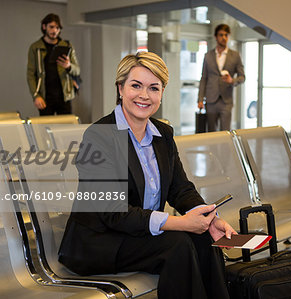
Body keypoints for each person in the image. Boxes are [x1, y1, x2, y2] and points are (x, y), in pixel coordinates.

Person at [58, 52, 236, 299]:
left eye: (154, 88)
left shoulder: (163, 134)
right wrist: (181, 223)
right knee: (177, 245)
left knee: (203, 237)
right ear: (120, 88)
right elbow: (114, 212)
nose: (144, 95)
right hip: (100, 241)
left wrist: (208, 217)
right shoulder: (98, 137)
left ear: (161, 94)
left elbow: (180, 189)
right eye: (136, 85)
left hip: (139, 233)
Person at [27, 13, 80, 115]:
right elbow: (30, 74)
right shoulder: (35, 48)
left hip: (65, 96)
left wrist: (69, 66)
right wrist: (36, 96)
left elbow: (77, 70)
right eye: (51, 27)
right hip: (45, 97)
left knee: (66, 129)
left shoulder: (67, 46)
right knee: (45, 129)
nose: (55, 30)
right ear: (44, 27)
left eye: (57, 28)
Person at [198, 24, 245, 132]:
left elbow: (242, 77)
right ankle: (212, 149)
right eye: (221, 35)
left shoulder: (235, 55)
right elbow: (204, 78)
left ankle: (224, 150)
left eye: (226, 35)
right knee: (211, 132)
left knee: (225, 132)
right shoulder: (208, 55)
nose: (224, 38)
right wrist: (200, 99)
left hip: (226, 100)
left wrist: (232, 81)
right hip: (211, 100)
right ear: (216, 37)